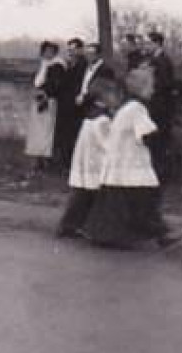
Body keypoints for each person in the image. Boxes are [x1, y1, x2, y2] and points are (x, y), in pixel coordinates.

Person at [81, 65, 175, 249]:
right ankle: (160, 234)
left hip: (119, 163)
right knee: (144, 200)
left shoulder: (126, 108)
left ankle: (104, 234)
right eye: (151, 86)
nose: (154, 90)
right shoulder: (138, 108)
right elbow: (147, 134)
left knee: (118, 203)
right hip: (131, 163)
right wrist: (162, 148)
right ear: (142, 88)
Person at [56, 73, 118, 237]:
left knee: (82, 195)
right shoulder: (103, 120)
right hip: (95, 162)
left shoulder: (91, 116)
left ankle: (71, 225)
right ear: (103, 98)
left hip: (86, 161)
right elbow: (107, 144)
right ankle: (85, 226)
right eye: (113, 94)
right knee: (91, 196)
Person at [143, 30, 177, 184]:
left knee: (159, 140)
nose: (145, 46)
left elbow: (164, 84)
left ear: (156, 43)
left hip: (160, 107)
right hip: (155, 106)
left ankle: (161, 174)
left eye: (148, 43)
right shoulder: (153, 59)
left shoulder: (162, 61)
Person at [50, 38, 88, 170]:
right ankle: (65, 163)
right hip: (65, 105)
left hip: (74, 106)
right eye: (69, 50)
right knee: (64, 135)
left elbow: (79, 85)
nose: (70, 53)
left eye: (73, 50)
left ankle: (72, 164)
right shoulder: (69, 64)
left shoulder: (83, 66)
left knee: (72, 135)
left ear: (80, 50)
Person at [23, 41, 61, 170]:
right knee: (37, 131)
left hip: (48, 101)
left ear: (55, 52)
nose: (48, 53)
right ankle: (38, 158)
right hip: (39, 100)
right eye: (45, 51)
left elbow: (55, 85)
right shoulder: (44, 64)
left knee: (46, 131)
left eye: (51, 51)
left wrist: (45, 93)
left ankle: (46, 160)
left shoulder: (57, 66)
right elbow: (37, 82)